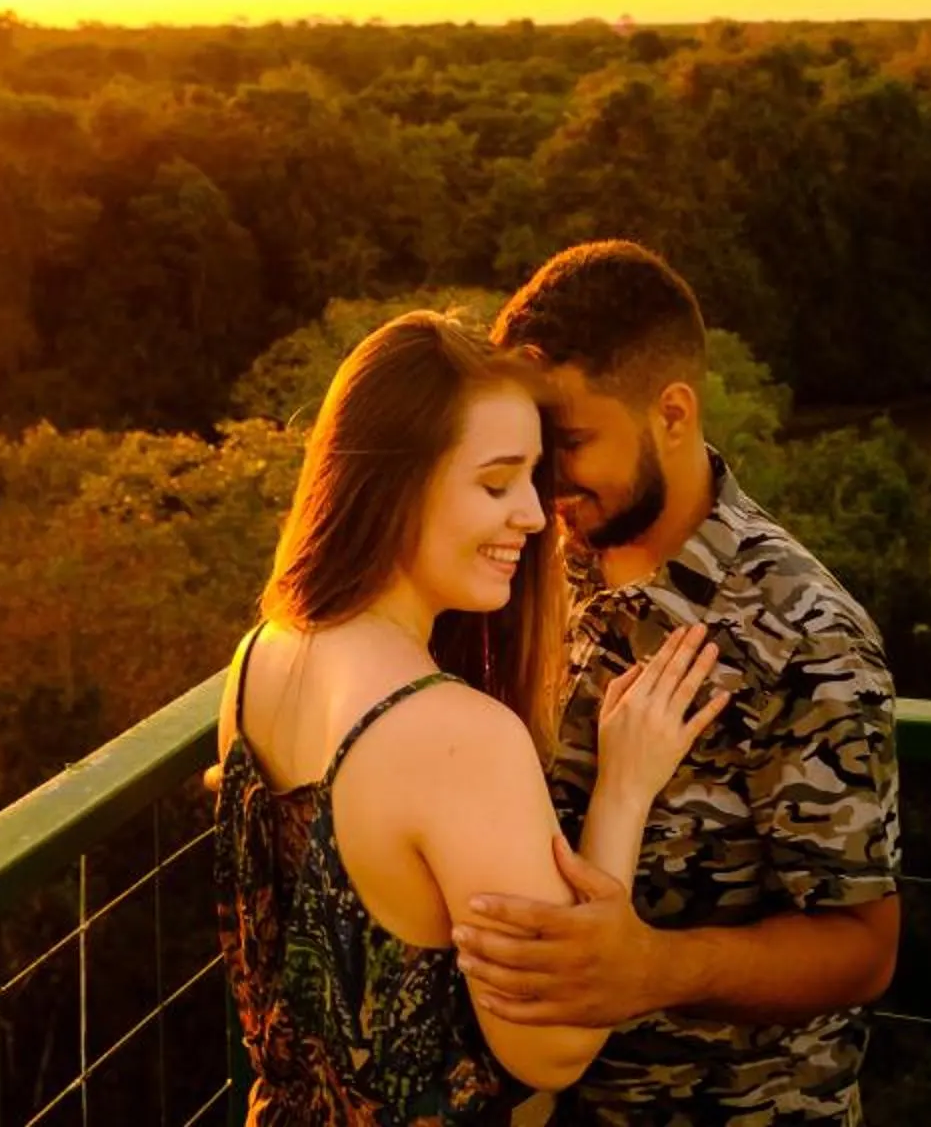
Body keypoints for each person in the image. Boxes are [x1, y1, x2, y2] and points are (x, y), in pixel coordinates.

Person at [213, 310, 734, 1124]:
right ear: (393, 487)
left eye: (532, 479)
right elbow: (552, 1048)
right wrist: (624, 793)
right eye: (496, 483)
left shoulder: (261, 655)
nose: (535, 515)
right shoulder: (454, 735)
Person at [455, 242, 903, 1125]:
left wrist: (655, 969)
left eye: (570, 444)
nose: (545, 484)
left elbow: (862, 948)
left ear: (670, 411)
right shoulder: (523, 565)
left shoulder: (802, 632)